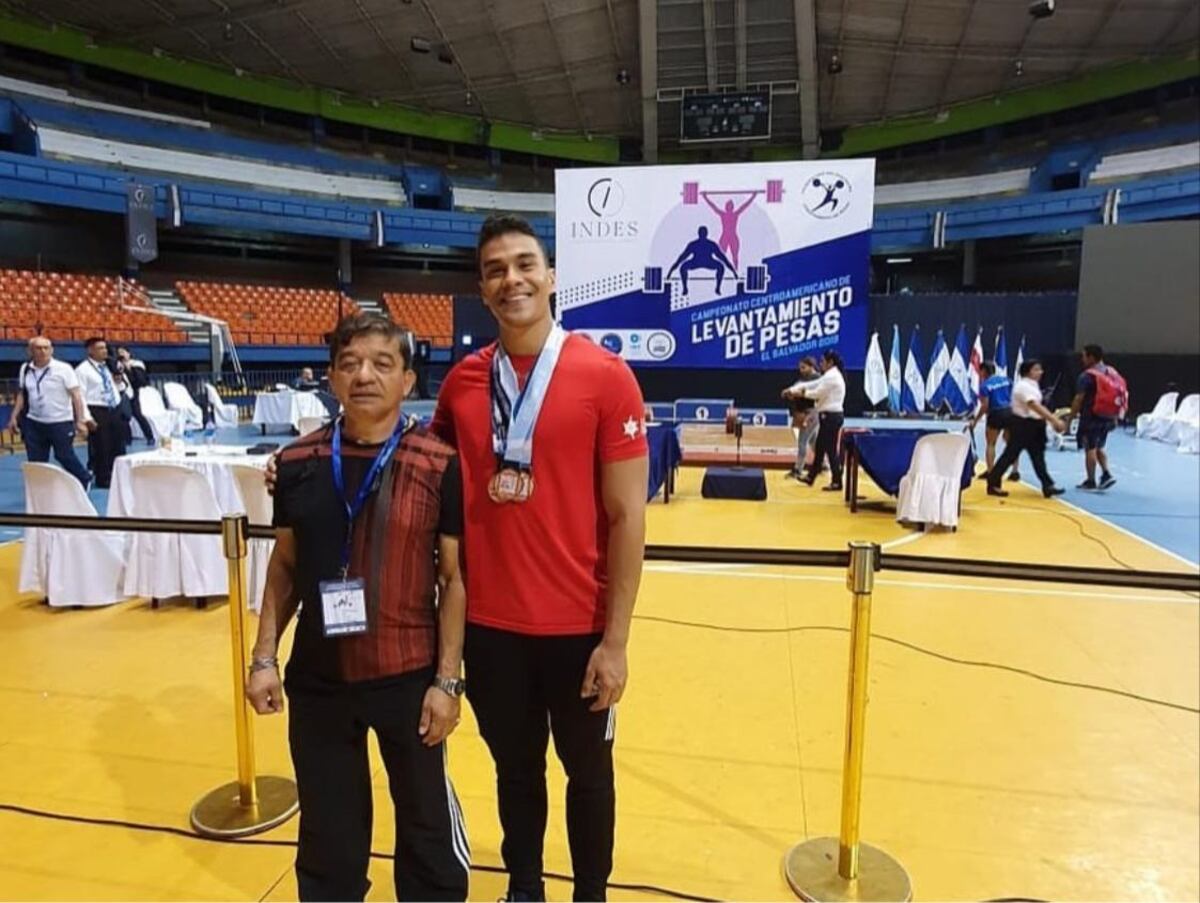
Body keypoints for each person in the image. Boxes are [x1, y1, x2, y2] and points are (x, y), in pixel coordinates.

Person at [433, 214, 648, 901]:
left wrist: (616, 641)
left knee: (590, 775)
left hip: (580, 630)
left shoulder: (606, 377)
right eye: (495, 270)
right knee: (515, 772)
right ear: (482, 289)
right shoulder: (461, 385)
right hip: (492, 630)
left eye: (525, 264)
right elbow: (421, 477)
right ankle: (525, 887)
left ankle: (590, 894)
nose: (512, 279)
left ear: (551, 277)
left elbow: (628, 517)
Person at [247, 314, 469, 902]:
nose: (364, 375)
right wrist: (264, 658)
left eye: (381, 364)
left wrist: (447, 682)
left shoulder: (439, 463)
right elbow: (285, 566)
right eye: (349, 364)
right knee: (328, 832)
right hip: (319, 680)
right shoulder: (297, 463)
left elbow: (454, 578)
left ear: (407, 380)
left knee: (425, 825)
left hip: (408, 675)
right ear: (331, 378)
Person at [6, 336, 93, 487]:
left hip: (60, 421)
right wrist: (14, 417)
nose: (43, 351)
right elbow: (22, 394)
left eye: (46, 348)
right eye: (38, 348)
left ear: (52, 350)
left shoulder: (64, 369)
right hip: (34, 422)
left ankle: (84, 478)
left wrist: (80, 420)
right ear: (30, 351)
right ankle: (42, 489)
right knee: (36, 460)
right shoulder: (25, 369)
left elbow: (76, 395)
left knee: (64, 455)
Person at [986, 359, 1066, 499]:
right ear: (1028, 371)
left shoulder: (1033, 385)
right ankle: (993, 482)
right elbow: (1034, 405)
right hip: (1023, 425)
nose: (1040, 372)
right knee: (1010, 455)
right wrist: (1053, 419)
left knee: (1038, 457)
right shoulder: (1023, 386)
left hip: (1035, 424)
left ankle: (1047, 485)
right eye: (1036, 369)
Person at [783, 349, 846, 490]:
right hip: (829, 416)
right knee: (821, 448)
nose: (821, 364)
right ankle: (812, 477)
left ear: (830, 362)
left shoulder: (832, 377)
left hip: (831, 416)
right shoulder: (830, 375)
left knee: (829, 450)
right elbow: (812, 384)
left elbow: (816, 393)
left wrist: (801, 393)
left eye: (823, 361)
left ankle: (836, 481)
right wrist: (792, 389)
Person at [1065, 344, 1122, 490]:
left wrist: (1070, 419)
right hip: (1107, 416)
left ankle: (1091, 481)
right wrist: (1115, 416)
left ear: (1091, 357)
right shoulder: (1111, 372)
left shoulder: (1087, 376)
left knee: (1089, 448)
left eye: (1084, 356)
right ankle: (1106, 473)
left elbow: (1078, 399)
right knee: (1099, 446)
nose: (1082, 359)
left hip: (1091, 416)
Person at [74, 337, 127, 489]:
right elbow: (80, 396)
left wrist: (119, 381)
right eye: (100, 348)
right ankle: (103, 478)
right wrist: (86, 417)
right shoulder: (82, 370)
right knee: (102, 446)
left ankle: (119, 475)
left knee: (118, 443)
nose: (104, 351)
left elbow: (118, 386)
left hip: (114, 406)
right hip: (97, 409)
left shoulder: (109, 366)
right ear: (90, 350)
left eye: (105, 348)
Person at [970, 361, 1020, 484]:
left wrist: (975, 421)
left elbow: (985, 406)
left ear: (983, 371)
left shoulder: (985, 386)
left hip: (996, 413)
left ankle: (991, 472)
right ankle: (1015, 471)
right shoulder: (1007, 380)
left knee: (991, 444)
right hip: (1010, 411)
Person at [665, 226, 737, 296]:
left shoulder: (711, 244)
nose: (702, 235)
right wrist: (670, 272)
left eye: (703, 233)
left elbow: (723, 258)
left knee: (721, 267)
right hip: (695, 262)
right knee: (683, 267)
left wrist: (733, 272)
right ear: (699, 234)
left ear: (706, 234)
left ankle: (717, 288)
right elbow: (681, 258)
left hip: (708, 261)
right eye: (701, 233)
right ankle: (685, 288)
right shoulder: (693, 244)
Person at [781, 356, 819, 480]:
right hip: (803, 412)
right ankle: (823, 464)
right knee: (813, 441)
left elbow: (809, 394)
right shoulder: (803, 378)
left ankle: (798, 469)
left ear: (811, 366)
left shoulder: (817, 379)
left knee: (802, 441)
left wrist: (794, 393)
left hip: (811, 413)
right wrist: (790, 394)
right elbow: (796, 391)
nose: (801, 370)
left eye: (803, 367)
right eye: (800, 367)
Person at [702, 193, 755, 272]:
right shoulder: (725, 214)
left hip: (732, 236)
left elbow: (745, 205)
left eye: (730, 206)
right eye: (728, 206)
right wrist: (705, 197)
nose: (729, 208)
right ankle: (724, 270)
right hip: (726, 236)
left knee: (734, 256)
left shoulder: (733, 214)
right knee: (723, 256)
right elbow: (713, 206)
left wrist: (753, 197)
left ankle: (735, 271)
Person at [115, 347, 154, 444]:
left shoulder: (136, 364)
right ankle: (127, 439)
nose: (121, 354)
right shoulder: (117, 365)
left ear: (128, 353)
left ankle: (150, 437)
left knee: (138, 415)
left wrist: (129, 369)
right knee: (123, 417)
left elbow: (140, 380)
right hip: (122, 393)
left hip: (133, 393)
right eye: (119, 353)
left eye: (123, 352)